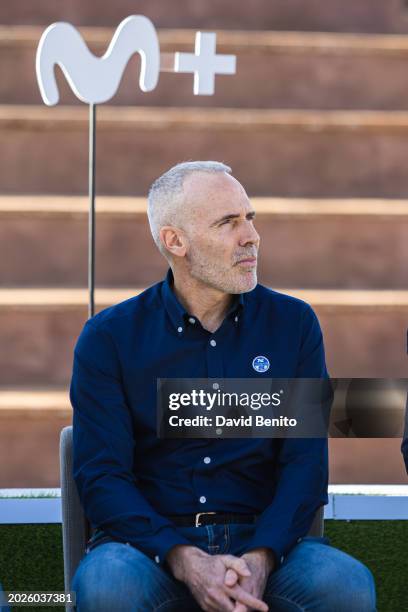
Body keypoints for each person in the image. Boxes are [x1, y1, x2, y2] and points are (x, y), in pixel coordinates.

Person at [70, 161, 376, 611]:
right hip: (148, 551)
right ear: (176, 242)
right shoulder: (108, 338)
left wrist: (260, 559)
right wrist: (184, 559)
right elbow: (102, 476)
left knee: (345, 584)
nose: (251, 235)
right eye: (228, 222)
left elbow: (305, 464)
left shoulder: (293, 325)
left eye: (249, 218)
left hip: (265, 543)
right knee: (108, 585)